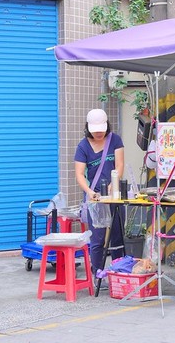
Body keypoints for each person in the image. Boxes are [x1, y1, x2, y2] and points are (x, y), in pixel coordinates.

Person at [74, 109, 125, 274]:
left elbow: (120, 165)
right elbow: (79, 174)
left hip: (114, 195)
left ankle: (119, 271)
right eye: (95, 130)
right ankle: (98, 274)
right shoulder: (83, 146)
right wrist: (89, 191)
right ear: (88, 128)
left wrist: (113, 184)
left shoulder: (115, 140)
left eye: (101, 130)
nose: (98, 133)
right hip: (94, 198)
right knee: (97, 238)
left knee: (117, 236)